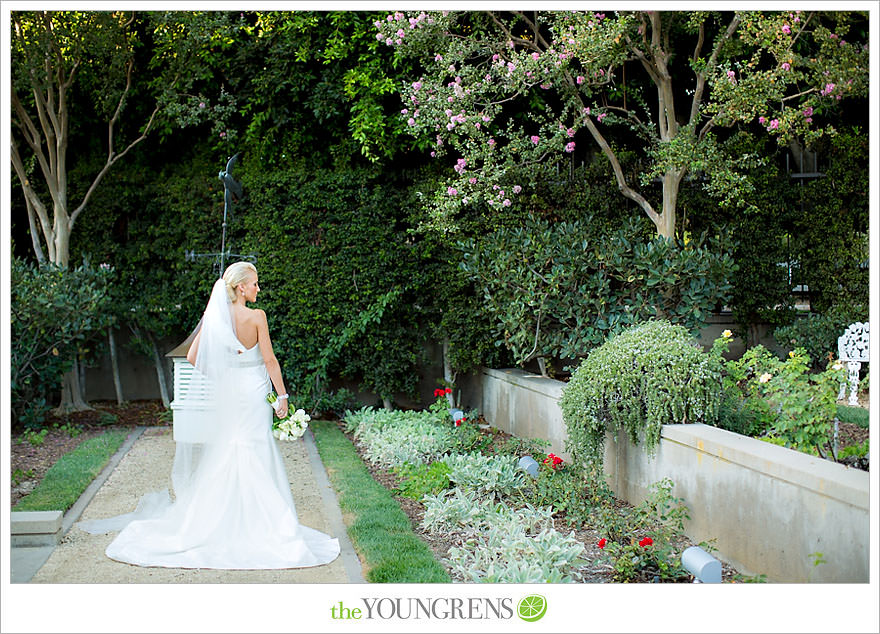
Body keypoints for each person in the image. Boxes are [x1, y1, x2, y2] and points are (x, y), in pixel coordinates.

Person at [79, 262, 340, 570]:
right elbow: (269, 359)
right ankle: (263, 525)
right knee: (255, 450)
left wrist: (224, 378)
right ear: (241, 287)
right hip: (255, 392)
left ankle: (217, 521)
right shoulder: (257, 317)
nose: (258, 288)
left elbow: (192, 356)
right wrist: (282, 395)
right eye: (255, 283)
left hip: (234, 390)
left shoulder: (215, 316)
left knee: (231, 450)